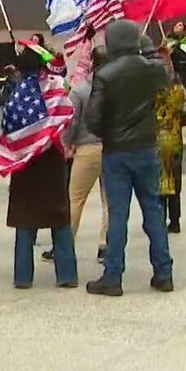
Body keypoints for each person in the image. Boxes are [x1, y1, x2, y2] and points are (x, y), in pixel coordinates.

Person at [83, 20, 173, 297]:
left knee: (118, 214)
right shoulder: (153, 69)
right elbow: (166, 79)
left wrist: (110, 129)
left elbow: (94, 121)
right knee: (153, 212)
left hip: (117, 152)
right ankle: (164, 273)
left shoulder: (106, 75)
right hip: (147, 147)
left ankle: (113, 276)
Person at [2, 49, 78, 290]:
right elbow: (68, 114)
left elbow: (7, 127)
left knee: (25, 218)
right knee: (59, 216)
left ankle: (23, 276)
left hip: (25, 161)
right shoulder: (56, 86)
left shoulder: (16, 94)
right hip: (52, 157)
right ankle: (67, 274)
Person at [60, 45, 109, 261]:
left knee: (75, 199)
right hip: (112, 147)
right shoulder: (116, 88)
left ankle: (65, 244)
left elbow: (73, 121)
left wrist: (67, 143)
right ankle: (105, 244)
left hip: (86, 147)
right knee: (110, 201)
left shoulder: (79, 90)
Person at [154, 40, 186, 234]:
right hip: (175, 140)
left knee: (158, 182)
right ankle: (175, 221)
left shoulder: (151, 92)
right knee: (175, 182)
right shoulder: (178, 90)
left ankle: (159, 219)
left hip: (155, 141)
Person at [166, 21, 186, 124]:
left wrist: (174, 49)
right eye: (175, 24)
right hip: (175, 72)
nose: (177, 26)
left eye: (180, 25)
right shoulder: (169, 40)